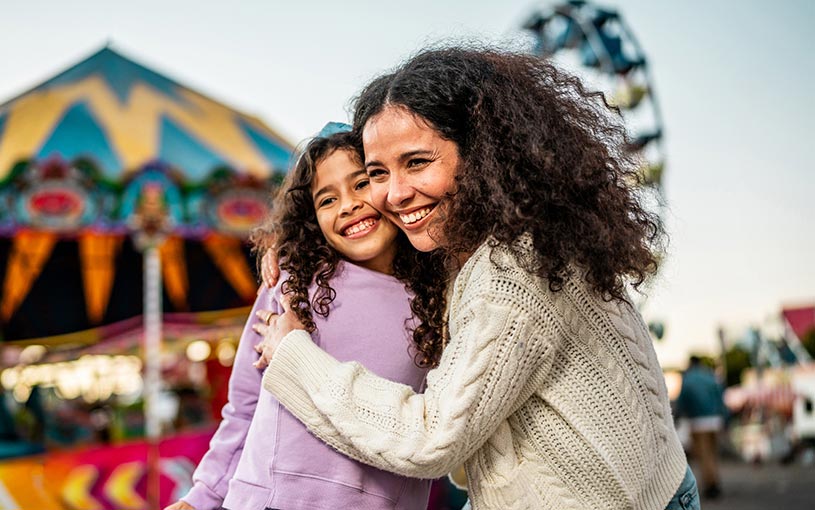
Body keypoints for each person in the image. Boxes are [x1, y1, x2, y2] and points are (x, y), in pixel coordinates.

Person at [254, 46, 699, 510]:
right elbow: (339, 168)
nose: (396, 193)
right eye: (377, 173)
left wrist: (294, 356)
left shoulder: (512, 272)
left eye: (417, 162)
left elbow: (432, 439)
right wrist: (295, 236)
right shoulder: (496, 232)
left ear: (482, 151)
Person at [165, 124, 445, 510]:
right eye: (327, 199)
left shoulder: (439, 301)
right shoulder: (292, 282)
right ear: (311, 218)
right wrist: (203, 495)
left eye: (362, 184)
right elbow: (246, 403)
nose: (347, 205)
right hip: (265, 500)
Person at [676, 355, 726, 500]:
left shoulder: (688, 378)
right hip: (715, 420)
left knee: (704, 455)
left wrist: (678, 417)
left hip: (698, 422)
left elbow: (683, 400)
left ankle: (711, 486)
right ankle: (715, 481)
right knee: (713, 453)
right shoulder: (710, 376)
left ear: (691, 363)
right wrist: (724, 416)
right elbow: (720, 397)